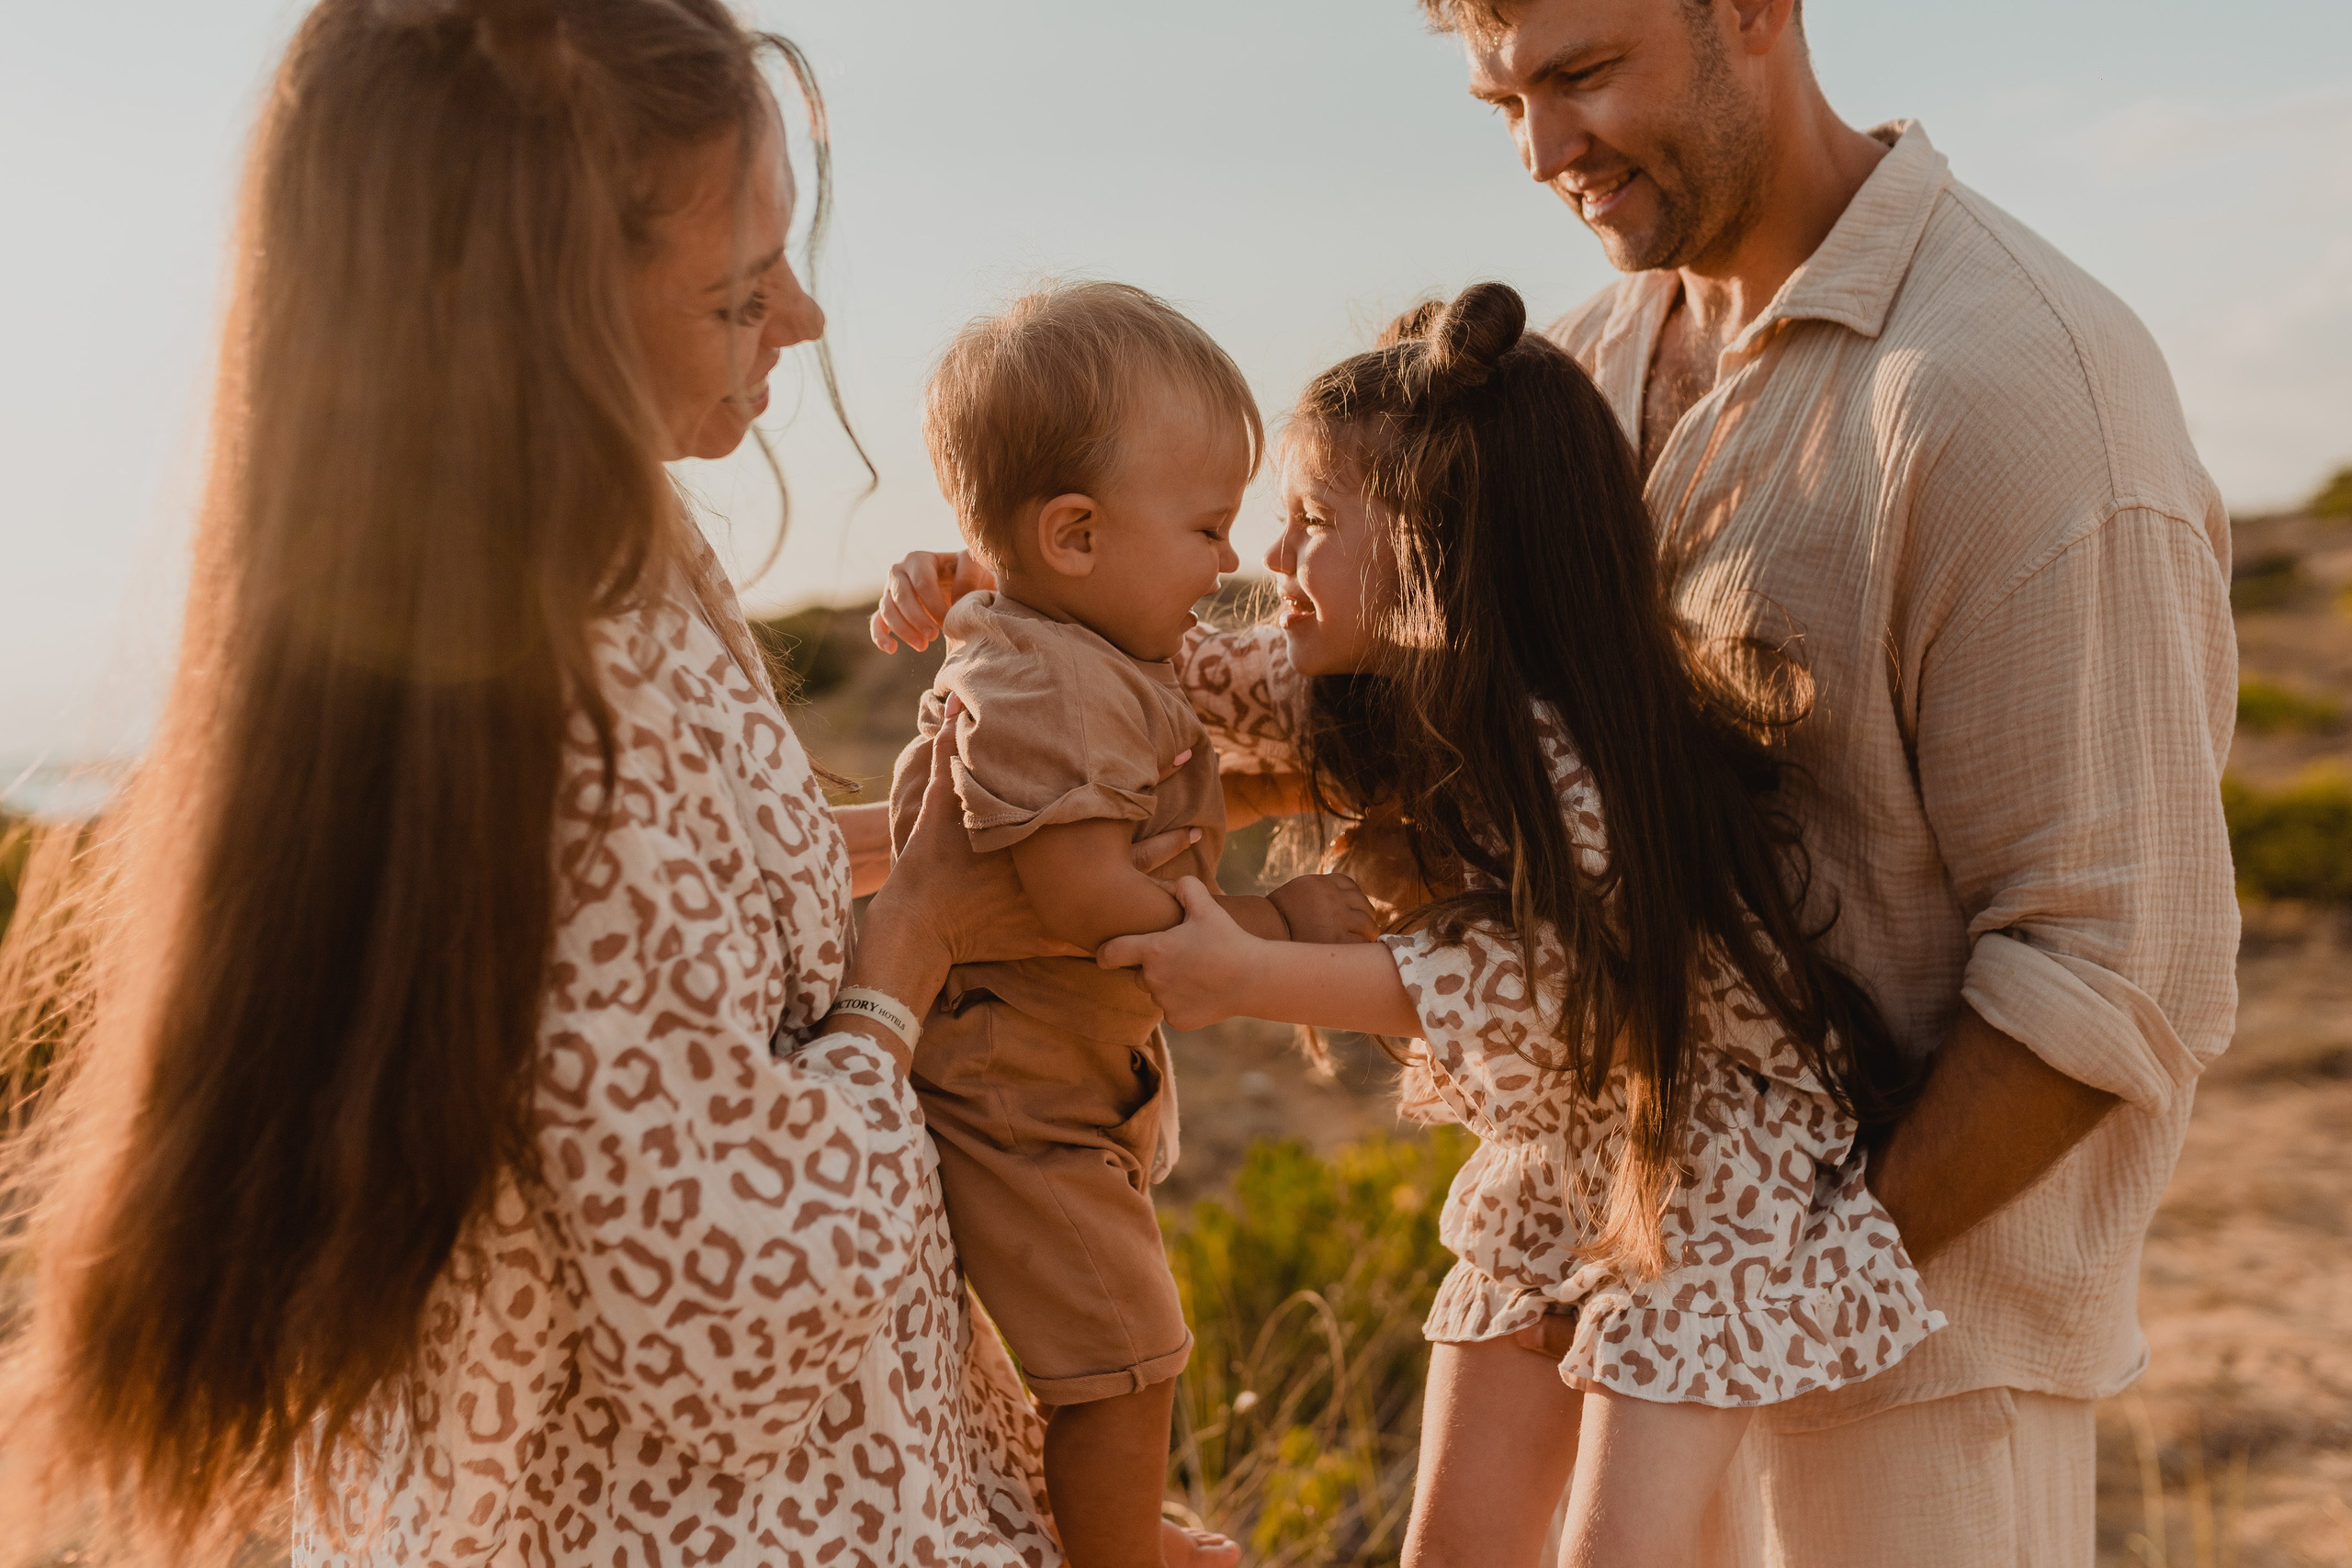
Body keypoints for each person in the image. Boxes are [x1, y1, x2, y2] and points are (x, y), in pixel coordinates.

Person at [0, 3, 1233, 1564]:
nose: (803, 318)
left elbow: (712, 898)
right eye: (737, 294)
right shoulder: (551, 712)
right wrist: (907, 952)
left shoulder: (612, 563)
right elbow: (729, 1315)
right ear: (534, 316)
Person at [1419, 1, 2233, 1562]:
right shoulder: (1571, 374)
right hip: (1605, 1359)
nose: (1541, 151)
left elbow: (2115, 968)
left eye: (1583, 75)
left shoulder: (2020, 390)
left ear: (1754, 12)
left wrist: (1775, 1294)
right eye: (1499, 99)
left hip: (1910, 1412)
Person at [1079, 280, 1941, 1567]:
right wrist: (999, 576)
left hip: (1708, 1172)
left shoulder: (1563, 749)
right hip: (1567, 1154)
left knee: (1614, 1553)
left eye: (1313, 521)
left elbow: (1524, 985)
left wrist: (1244, 973)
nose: (1271, 557)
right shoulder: (1382, 686)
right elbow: (1185, 670)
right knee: (1458, 1547)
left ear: (1441, 547)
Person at [885, 281, 1374, 1568]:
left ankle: (1109, 1531)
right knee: (1123, 1357)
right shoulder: (1049, 679)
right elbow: (1079, 890)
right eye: (1209, 526)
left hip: (1052, 1079)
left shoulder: (1064, 635)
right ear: (1079, 536)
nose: (1231, 560)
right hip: (1020, 1097)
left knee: (1120, 1350)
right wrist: (1271, 923)